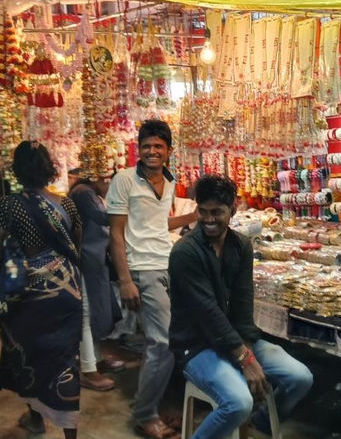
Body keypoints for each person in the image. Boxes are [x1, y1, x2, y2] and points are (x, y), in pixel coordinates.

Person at [169, 175, 313, 438]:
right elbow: (207, 313)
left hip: (233, 337)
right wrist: (245, 359)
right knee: (238, 402)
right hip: (196, 344)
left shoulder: (241, 246)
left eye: (217, 212)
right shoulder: (185, 253)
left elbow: (243, 303)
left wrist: (244, 349)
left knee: (300, 378)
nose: (209, 219)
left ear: (232, 211)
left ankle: (261, 423)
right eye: (203, 211)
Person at [106, 120, 197, 439]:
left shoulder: (169, 181)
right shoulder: (124, 180)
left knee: (167, 340)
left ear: (169, 151)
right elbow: (116, 234)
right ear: (138, 149)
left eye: (158, 146)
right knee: (162, 342)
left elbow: (159, 224)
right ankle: (144, 414)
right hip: (143, 270)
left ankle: (157, 402)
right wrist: (126, 279)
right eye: (146, 146)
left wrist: (197, 216)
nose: (152, 151)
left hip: (168, 265)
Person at [0, 141, 83, 438]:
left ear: (18, 170)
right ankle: (69, 433)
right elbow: (77, 245)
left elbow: (5, 248)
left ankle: (36, 419)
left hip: (28, 293)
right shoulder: (67, 204)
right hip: (67, 290)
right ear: (50, 169)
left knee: (32, 356)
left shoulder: (9, 205)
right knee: (65, 360)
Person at [69, 172, 125, 392]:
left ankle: (96, 361)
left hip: (92, 259)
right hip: (85, 260)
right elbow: (106, 217)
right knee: (86, 313)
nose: (110, 186)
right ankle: (88, 370)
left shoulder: (87, 192)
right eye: (109, 181)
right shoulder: (84, 192)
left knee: (93, 312)